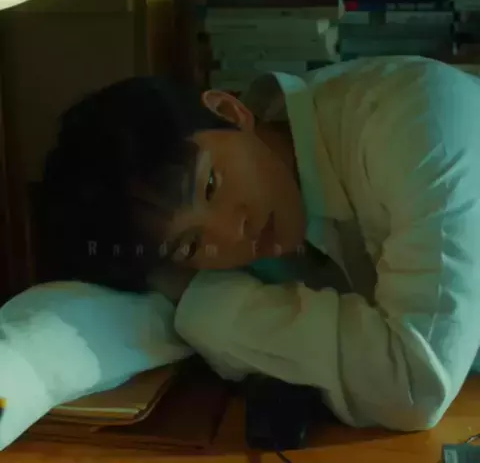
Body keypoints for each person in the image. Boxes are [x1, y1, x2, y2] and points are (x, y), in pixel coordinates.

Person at [40, 55, 480, 431]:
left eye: (210, 186)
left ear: (231, 112)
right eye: (191, 244)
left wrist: (199, 300)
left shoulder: (416, 120)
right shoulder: (246, 233)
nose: (233, 233)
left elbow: (415, 384)